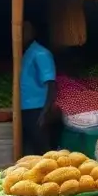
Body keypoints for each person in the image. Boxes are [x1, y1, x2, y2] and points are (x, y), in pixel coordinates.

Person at [20, 21, 58, 156]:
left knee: (42, 149)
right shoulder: (26, 52)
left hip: (38, 109)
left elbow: (51, 84)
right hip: (26, 108)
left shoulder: (41, 53)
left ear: (31, 33)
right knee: (31, 151)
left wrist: (45, 113)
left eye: (24, 31)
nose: (20, 34)